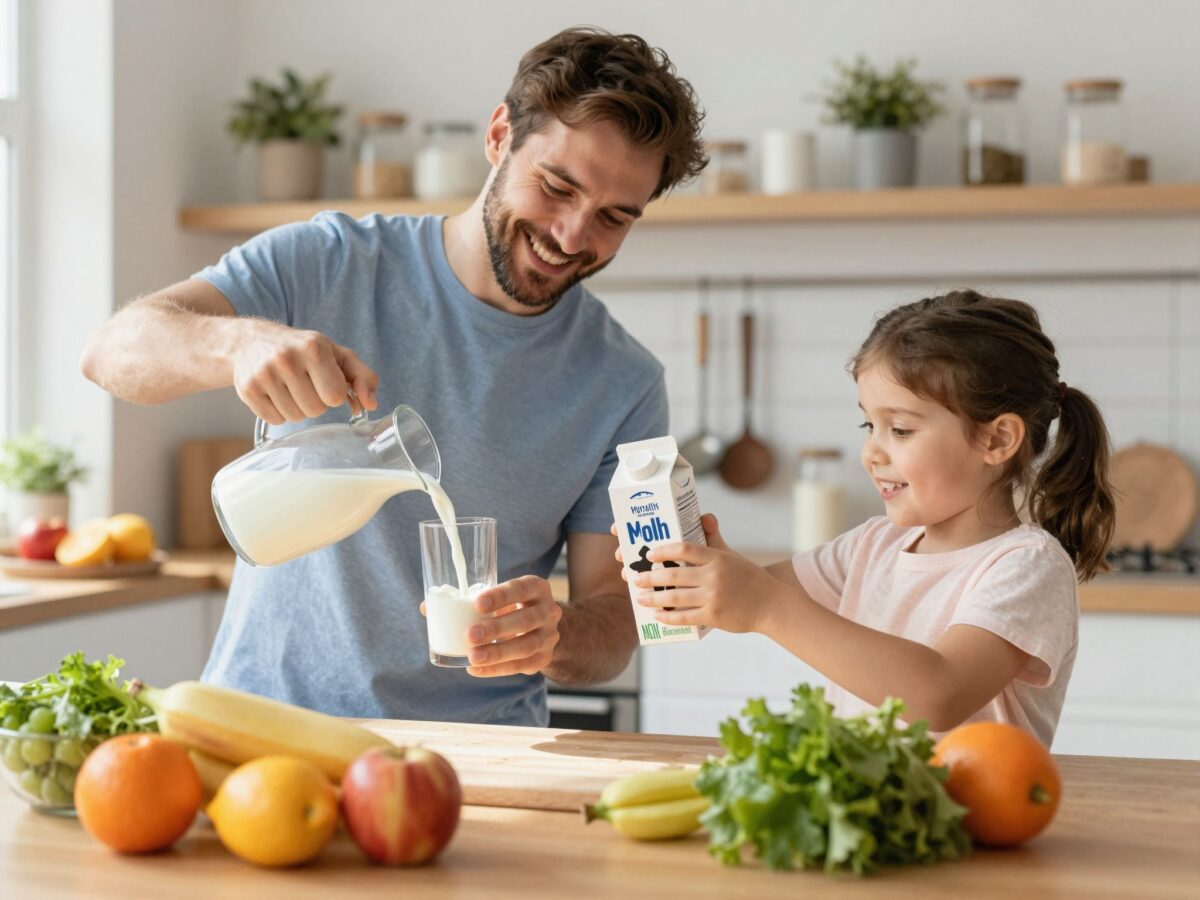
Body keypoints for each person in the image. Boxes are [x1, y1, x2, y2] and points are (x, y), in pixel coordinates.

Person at [80, 27, 707, 725]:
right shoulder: (327, 261)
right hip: (263, 732)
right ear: (500, 136)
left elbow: (616, 618)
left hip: (475, 762)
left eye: (614, 218)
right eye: (557, 187)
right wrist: (236, 344)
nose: (571, 236)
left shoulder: (622, 382)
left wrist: (555, 633)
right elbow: (112, 353)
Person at [629, 290, 1116, 745]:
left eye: (900, 429)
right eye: (870, 424)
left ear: (997, 440)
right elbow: (744, 595)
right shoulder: (872, 545)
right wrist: (690, 565)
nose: (871, 453)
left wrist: (764, 606)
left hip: (974, 826)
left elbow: (939, 694)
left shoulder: (1026, 565)